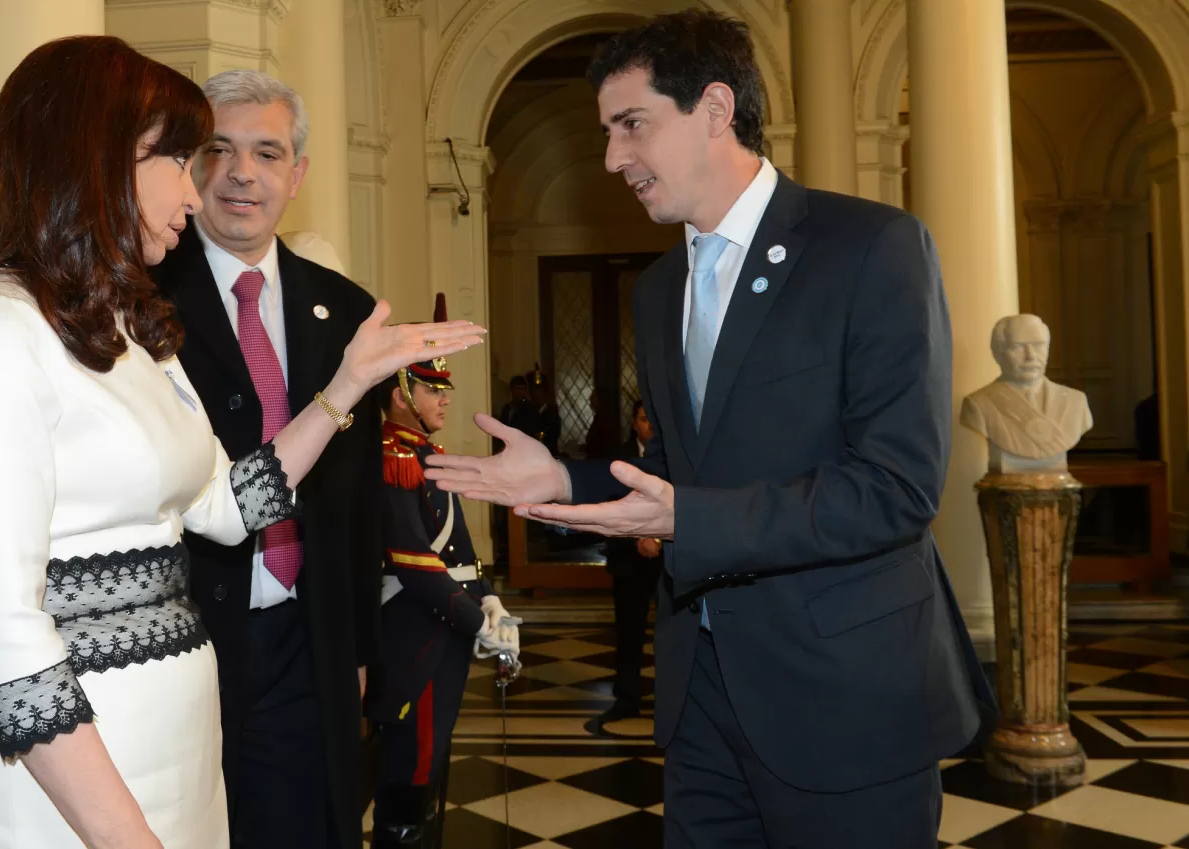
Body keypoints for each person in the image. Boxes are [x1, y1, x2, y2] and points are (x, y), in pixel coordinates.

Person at [424, 11, 993, 848]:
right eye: (609, 133)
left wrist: (688, 520)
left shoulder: (872, 248)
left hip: (845, 699)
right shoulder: (661, 289)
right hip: (702, 698)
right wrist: (564, 480)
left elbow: (897, 488)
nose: (614, 157)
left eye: (632, 125)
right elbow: (674, 470)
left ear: (716, 108)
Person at [0, 37, 483, 849]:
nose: (199, 185)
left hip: (177, 753)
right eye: (179, 158)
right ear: (95, 161)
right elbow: (1, 633)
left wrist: (345, 388)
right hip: (71, 779)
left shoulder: (130, 330)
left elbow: (224, 505)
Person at [147, 68, 391, 849]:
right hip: (180, 640)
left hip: (301, 640)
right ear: (192, 162)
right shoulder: (140, 300)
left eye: (267, 152)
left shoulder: (347, 311)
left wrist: (353, 651)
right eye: (218, 149)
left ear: (298, 173)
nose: (242, 173)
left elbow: (355, 499)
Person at [364, 304, 518, 849]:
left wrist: (492, 601)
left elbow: (461, 552)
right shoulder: (391, 456)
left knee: (433, 773)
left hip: (444, 628)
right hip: (416, 635)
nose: (445, 397)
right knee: (411, 771)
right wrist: (478, 622)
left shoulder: (426, 454)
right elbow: (414, 561)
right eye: (433, 388)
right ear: (402, 392)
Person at [585, 400, 662, 737]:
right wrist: (637, 540)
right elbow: (610, 507)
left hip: (668, 560)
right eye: (645, 419)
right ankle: (627, 698)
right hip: (629, 560)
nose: (650, 427)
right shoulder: (619, 457)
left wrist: (659, 542)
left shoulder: (677, 455)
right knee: (629, 633)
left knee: (672, 634)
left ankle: (672, 700)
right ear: (634, 423)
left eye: (654, 420)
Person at [959, 314, 1092, 471]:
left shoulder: (1076, 401)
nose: (1031, 356)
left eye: (1038, 345)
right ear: (998, 354)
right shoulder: (979, 404)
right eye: (1018, 347)